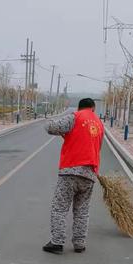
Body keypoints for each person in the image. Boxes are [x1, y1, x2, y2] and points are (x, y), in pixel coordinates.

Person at [43, 98, 104, 254]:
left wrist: (49, 118)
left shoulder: (75, 116)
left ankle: (57, 242)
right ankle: (79, 243)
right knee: (82, 210)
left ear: (79, 107)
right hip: (90, 173)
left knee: (59, 208)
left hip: (70, 171)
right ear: (93, 108)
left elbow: (51, 127)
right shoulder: (99, 124)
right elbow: (95, 146)